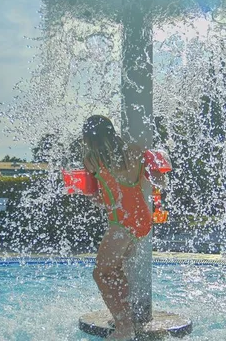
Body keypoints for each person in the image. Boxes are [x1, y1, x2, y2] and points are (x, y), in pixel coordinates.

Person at [82, 115, 165, 341]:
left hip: (122, 223)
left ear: (88, 138)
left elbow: (98, 197)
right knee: (115, 270)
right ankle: (124, 317)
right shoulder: (135, 151)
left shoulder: (91, 160)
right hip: (141, 221)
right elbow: (160, 181)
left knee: (100, 274)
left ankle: (124, 327)